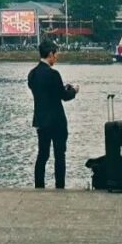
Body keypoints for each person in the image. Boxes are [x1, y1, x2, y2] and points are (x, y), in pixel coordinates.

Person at [28, 40, 79, 189]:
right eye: (56, 54)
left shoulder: (32, 74)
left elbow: (44, 93)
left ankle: (39, 187)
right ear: (50, 54)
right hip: (57, 121)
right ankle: (59, 187)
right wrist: (74, 90)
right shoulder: (54, 74)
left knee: (42, 155)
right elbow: (63, 96)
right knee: (59, 155)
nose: (56, 57)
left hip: (41, 120)